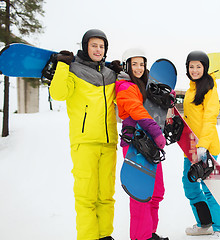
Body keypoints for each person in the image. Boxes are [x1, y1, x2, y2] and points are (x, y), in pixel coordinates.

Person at [49, 29, 118, 240]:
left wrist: (121, 73)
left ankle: (105, 235)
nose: (98, 50)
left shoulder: (109, 74)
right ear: (85, 46)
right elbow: (58, 93)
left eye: (102, 46)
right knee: (86, 196)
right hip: (85, 142)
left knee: (106, 196)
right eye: (94, 45)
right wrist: (62, 65)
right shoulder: (73, 70)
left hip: (108, 143)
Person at [114, 48, 168, 240]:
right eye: (134, 64)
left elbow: (153, 111)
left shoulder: (145, 86)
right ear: (127, 65)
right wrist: (155, 130)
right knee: (140, 194)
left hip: (150, 143)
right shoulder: (124, 86)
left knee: (156, 192)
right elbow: (137, 111)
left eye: (142, 64)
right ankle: (140, 236)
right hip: (135, 145)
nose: (138, 68)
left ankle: (150, 232)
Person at [182, 51, 220, 240]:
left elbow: (210, 119)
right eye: (191, 66)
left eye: (198, 66)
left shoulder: (209, 88)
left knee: (211, 189)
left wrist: (203, 146)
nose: (194, 70)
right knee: (190, 185)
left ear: (205, 68)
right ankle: (205, 224)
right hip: (190, 147)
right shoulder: (190, 89)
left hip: (206, 146)